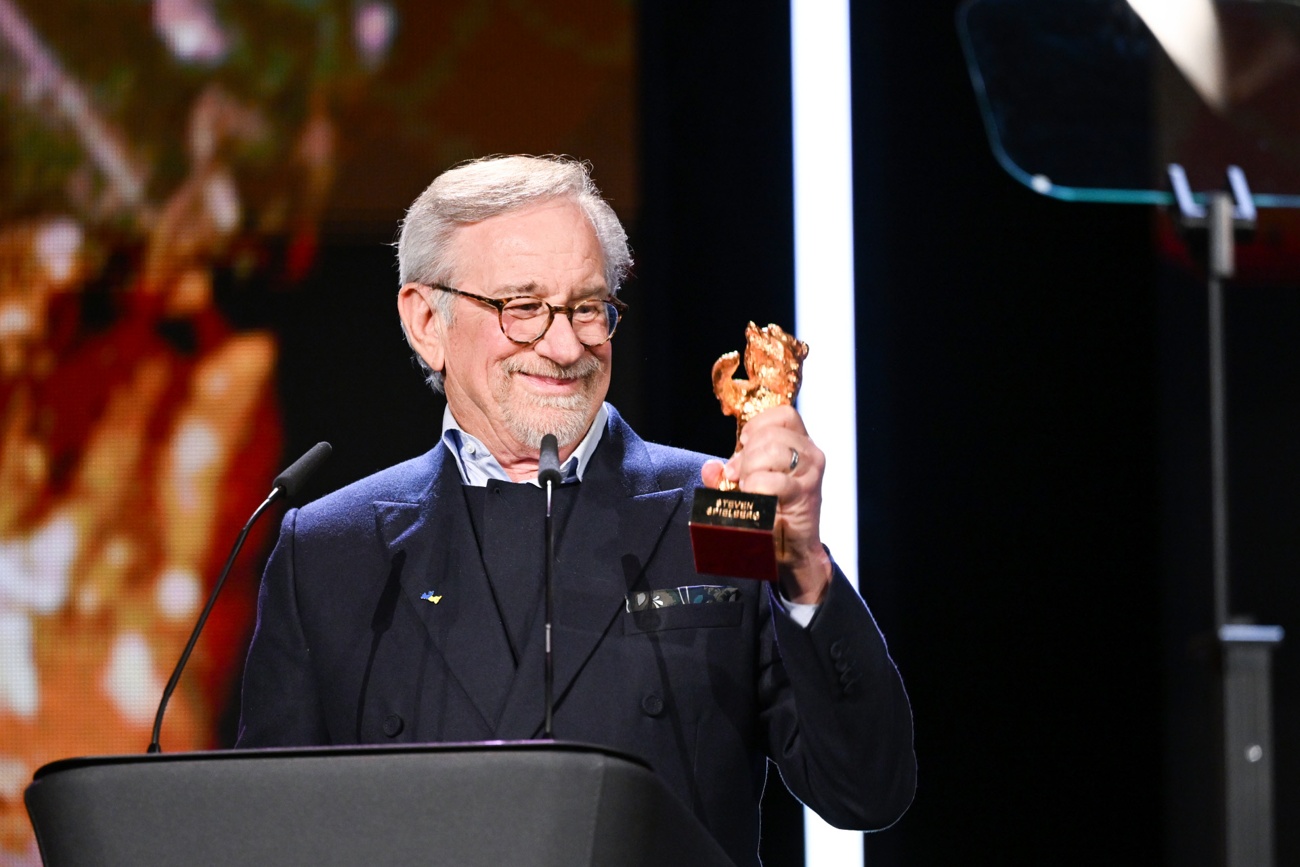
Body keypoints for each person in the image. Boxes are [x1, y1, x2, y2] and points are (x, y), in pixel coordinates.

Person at [236, 155, 915, 866]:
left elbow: (866, 791)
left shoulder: (718, 506)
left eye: (588, 306)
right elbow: (268, 834)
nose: (565, 347)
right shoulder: (333, 548)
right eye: (522, 307)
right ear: (426, 321)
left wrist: (804, 570)